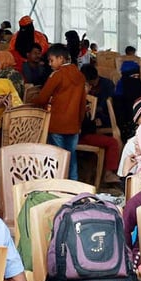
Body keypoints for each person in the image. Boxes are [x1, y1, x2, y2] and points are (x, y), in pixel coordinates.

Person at [31, 43, 87, 180]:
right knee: (71, 158)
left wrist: (31, 102)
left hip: (57, 124)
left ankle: (58, 188)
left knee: (57, 159)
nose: (50, 64)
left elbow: (43, 97)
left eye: (51, 60)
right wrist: (79, 123)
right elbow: (82, 103)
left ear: (61, 58)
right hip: (73, 125)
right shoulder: (80, 76)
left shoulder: (57, 75)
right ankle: (73, 189)